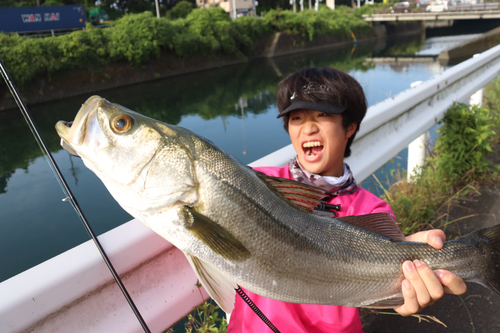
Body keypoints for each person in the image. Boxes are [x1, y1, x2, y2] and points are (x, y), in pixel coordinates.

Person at [227, 67, 467, 332]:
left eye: (323, 114)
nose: (308, 128)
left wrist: (405, 289)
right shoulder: (257, 184)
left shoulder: (372, 209)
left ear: (349, 127)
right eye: (296, 118)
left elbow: (389, 275)